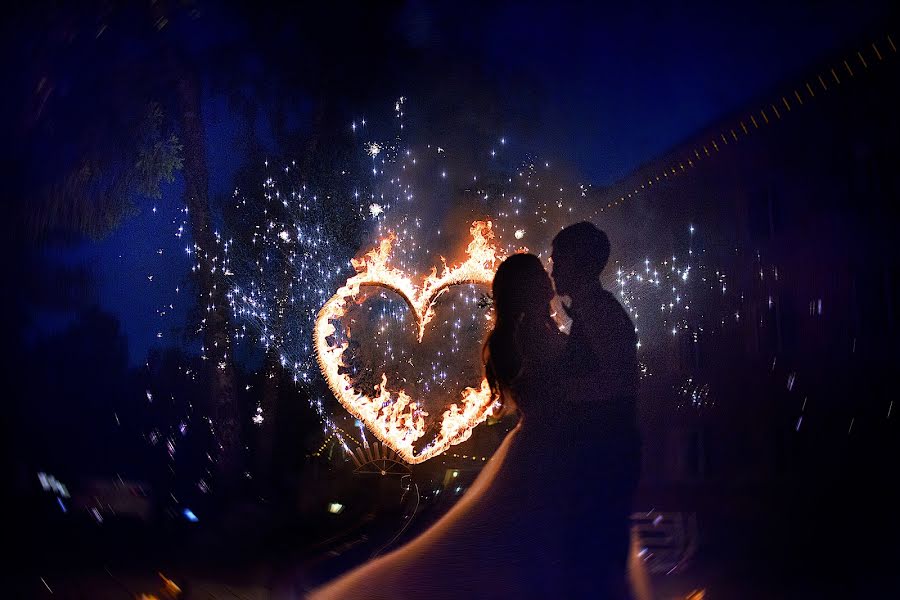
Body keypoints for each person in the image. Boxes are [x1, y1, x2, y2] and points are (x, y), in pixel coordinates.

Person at [308, 253, 570, 599]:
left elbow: (509, 403)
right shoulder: (536, 337)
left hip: (536, 446)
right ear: (530, 288)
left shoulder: (507, 339)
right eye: (541, 278)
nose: (550, 283)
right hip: (547, 449)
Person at [551, 222, 642, 599]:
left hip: (600, 464)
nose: (553, 271)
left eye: (557, 261)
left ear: (578, 262)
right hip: (601, 460)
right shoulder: (591, 316)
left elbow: (616, 383)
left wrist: (555, 392)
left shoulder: (602, 316)